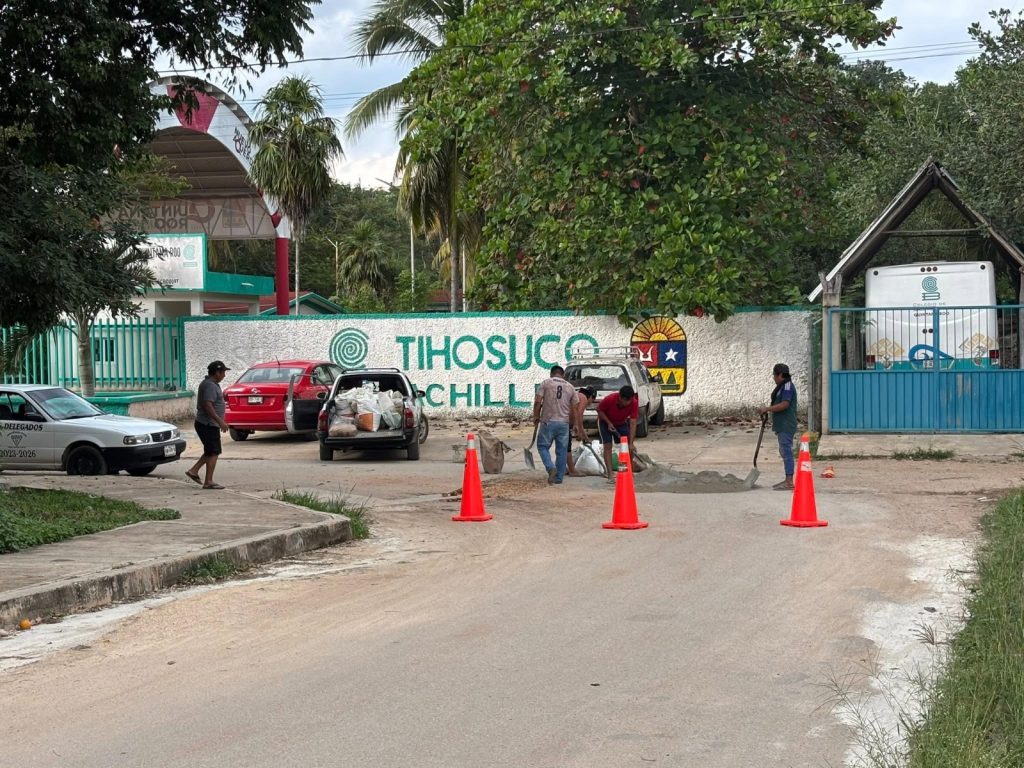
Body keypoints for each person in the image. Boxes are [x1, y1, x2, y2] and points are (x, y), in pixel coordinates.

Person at [186, 360, 231, 490]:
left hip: (209, 424)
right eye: (223, 372)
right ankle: (208, 481)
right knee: (213, 452)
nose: (224, 375)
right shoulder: (210, 385)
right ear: (217, 372)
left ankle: (194, 471)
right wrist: (220, 421)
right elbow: (207, 405)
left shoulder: (211, 384)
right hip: (207, 424)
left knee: (211, 450)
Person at [533, 365, 579, 485]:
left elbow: (537, 402)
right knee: (562, 451)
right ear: (563, 375)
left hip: (548, 421)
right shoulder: (570, 387)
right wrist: (575, 424)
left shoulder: (546, 383)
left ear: (551, 374)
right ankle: (558, 478)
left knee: (542, 446)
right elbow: (575, 408)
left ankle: (550, 467)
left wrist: (536, 416)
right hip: (563, 423)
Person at [759, 363, 798, 490]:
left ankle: (789, 481)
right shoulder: (782, 386)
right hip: (782, 424)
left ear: (780, 375)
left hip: (786, 424)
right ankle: (788, 479)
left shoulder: (787, 386)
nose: (773, 378)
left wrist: (767, 409)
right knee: (784, 450)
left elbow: (785, 404)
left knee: (786, 451)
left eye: (774, 375)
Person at [597, 385, 638, 479]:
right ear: (620, 397)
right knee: (608, 446)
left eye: (629, 401)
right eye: (626, 401)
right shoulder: (610, 399)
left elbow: (633, 422)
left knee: (628, 446)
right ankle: (610, 474)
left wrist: (631, 443)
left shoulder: (634, 403)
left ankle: (628, 471)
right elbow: (599, 410)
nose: (628, 403)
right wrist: (608, 423)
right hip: (605, 422)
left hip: (621, 422)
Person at [566, 387, 596, 477]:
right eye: (592, 400)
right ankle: (572, 470)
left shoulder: (578, 395)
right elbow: (579, 415)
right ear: (591, 397)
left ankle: (563, 468)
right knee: (567, 447)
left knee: (562, 447)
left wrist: (585, 437)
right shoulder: (583, 398)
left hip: (562, 420)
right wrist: (578, 432)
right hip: (565, 423)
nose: (590, 403)